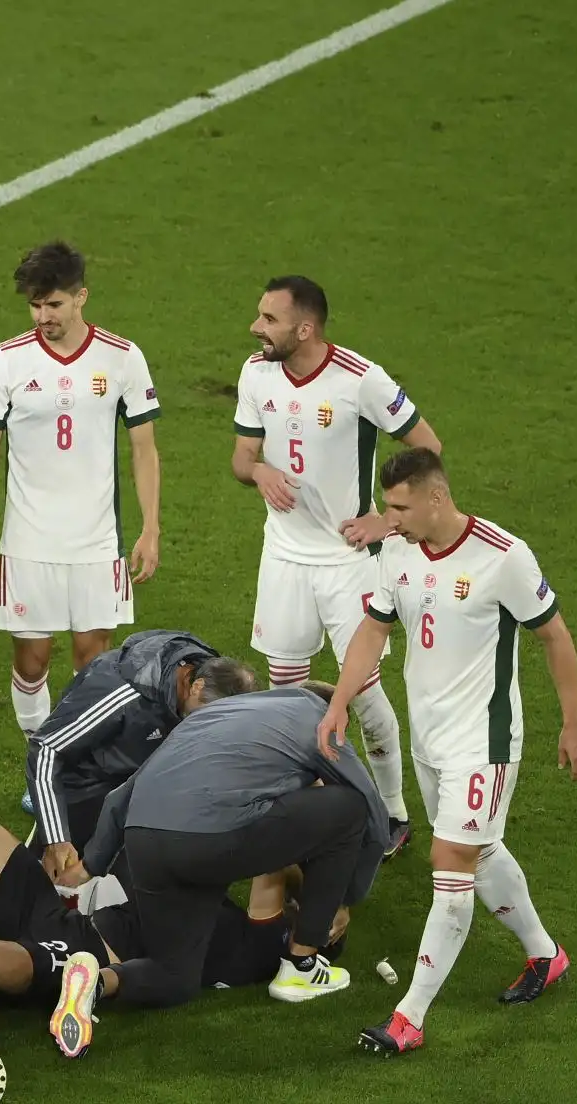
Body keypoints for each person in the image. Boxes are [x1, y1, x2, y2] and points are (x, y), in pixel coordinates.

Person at [317, 448, 577, 1058]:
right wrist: (339, 701)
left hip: (485, 744)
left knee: (450, 871)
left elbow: (554, 634)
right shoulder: (397, 552)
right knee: (482, 849)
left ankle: (408, 1018)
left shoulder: (503, 557)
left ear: (436, 497)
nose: (389, 518)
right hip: (431, 740)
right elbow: (373, 628)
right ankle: (545, 956)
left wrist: (574, 724)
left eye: (399, 506)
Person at [50, 686, 390, 1058]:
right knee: (350, 810)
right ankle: (302, 966)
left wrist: (88, 868)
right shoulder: (319, 721)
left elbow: (119, 799)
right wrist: (344, 899)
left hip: (144, 839)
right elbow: (371, 815)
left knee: (175, 976)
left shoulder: (219, 714)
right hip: (205, 837)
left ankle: (95, 984)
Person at [231, 277, 444, 859]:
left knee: (365, 693)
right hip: (283, 558)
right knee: (285, 691)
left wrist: (388, 521)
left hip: (348, 562)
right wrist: (259, 473)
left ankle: (395, 812)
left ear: (305, 328)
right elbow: (241, 458)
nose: (256, 327)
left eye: (269, 319)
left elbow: (428, 449)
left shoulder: (360, 378)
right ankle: (302, 806)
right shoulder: (257, 374)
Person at [0, 242, 163, 739]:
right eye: (35, 304)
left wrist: (151, 528)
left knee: (94, 665)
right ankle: (39, 757)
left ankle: (76, 760)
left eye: (53, 304)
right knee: (31, 664)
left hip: (97, 542)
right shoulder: (8, 360)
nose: (42, 315)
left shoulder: (122, 358)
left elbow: (144, 449)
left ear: (80, 297)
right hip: (28, 542)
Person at [0, 811, 306, 1007]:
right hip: (71, 922)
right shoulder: (240, 928)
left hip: (88, 950)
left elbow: (270, 852)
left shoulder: (267, 943)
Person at [25, 629, 257, 884]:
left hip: (146, 783)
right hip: (89, 783)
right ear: (196, 687)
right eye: (206, 718)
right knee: (57, 881)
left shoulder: (213, 681)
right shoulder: (121, 692)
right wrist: (56, 838)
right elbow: (47, 747)